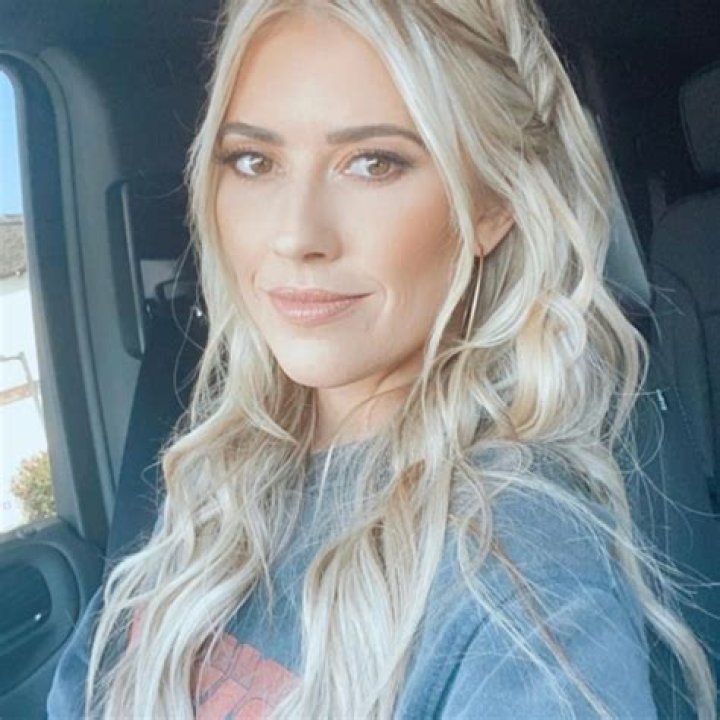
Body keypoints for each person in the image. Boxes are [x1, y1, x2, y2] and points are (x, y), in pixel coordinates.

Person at [47, 1, 716, 718]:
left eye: (373, 163)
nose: (295, 235)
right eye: (254, 161)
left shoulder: (523, 581)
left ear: (491, 204)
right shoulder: (213, 473)